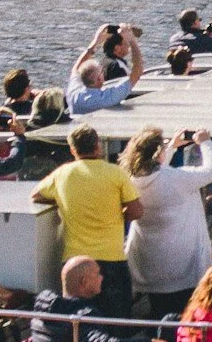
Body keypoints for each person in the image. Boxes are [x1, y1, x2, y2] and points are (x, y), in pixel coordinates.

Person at [30, 125, 143, 313]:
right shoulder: (116, 173)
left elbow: (35, 195)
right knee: (118, 318)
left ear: (73, 149)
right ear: (98, 146)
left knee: (79, 320)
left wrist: (62, 200)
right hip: (111, 258)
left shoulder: (63, 174)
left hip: (75, 261)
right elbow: (137, 211)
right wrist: (118, 216)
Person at [122, 126, 212, 318]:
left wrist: (172, 147)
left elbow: (154, 172)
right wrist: (205, 142)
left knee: (157, 315)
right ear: (158, 152)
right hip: (182, 268)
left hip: (148, 266)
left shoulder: (131, 181)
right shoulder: (176, 178)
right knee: (182, 319)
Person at [27, 255, 170, 342]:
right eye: (97, 274)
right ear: (84, 282)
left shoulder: (42, 307)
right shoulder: (83, 315)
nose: (102, 277)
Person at [67, 26, 143, 117]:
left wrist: (96, 41)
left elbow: (76, 68)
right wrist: (132, 40)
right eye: (102, 72)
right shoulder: (106, 98)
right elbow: (137, 72)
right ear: (99, 79)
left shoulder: (73, 94)